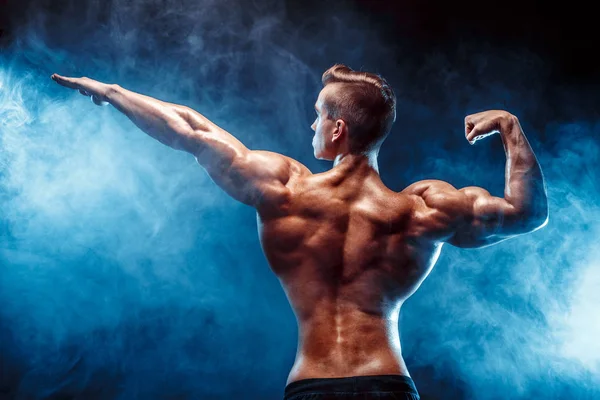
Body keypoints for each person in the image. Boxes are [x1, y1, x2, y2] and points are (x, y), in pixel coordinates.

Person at [52, 64, 548, 400]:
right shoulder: (422, 209)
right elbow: (527, 213)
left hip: (311, 386)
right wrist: (508, 126)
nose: (312, 123)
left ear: (336, 130)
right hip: (388, 384)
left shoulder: (285, 189)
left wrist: (113, 93)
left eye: (318, 114)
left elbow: (192, 131)